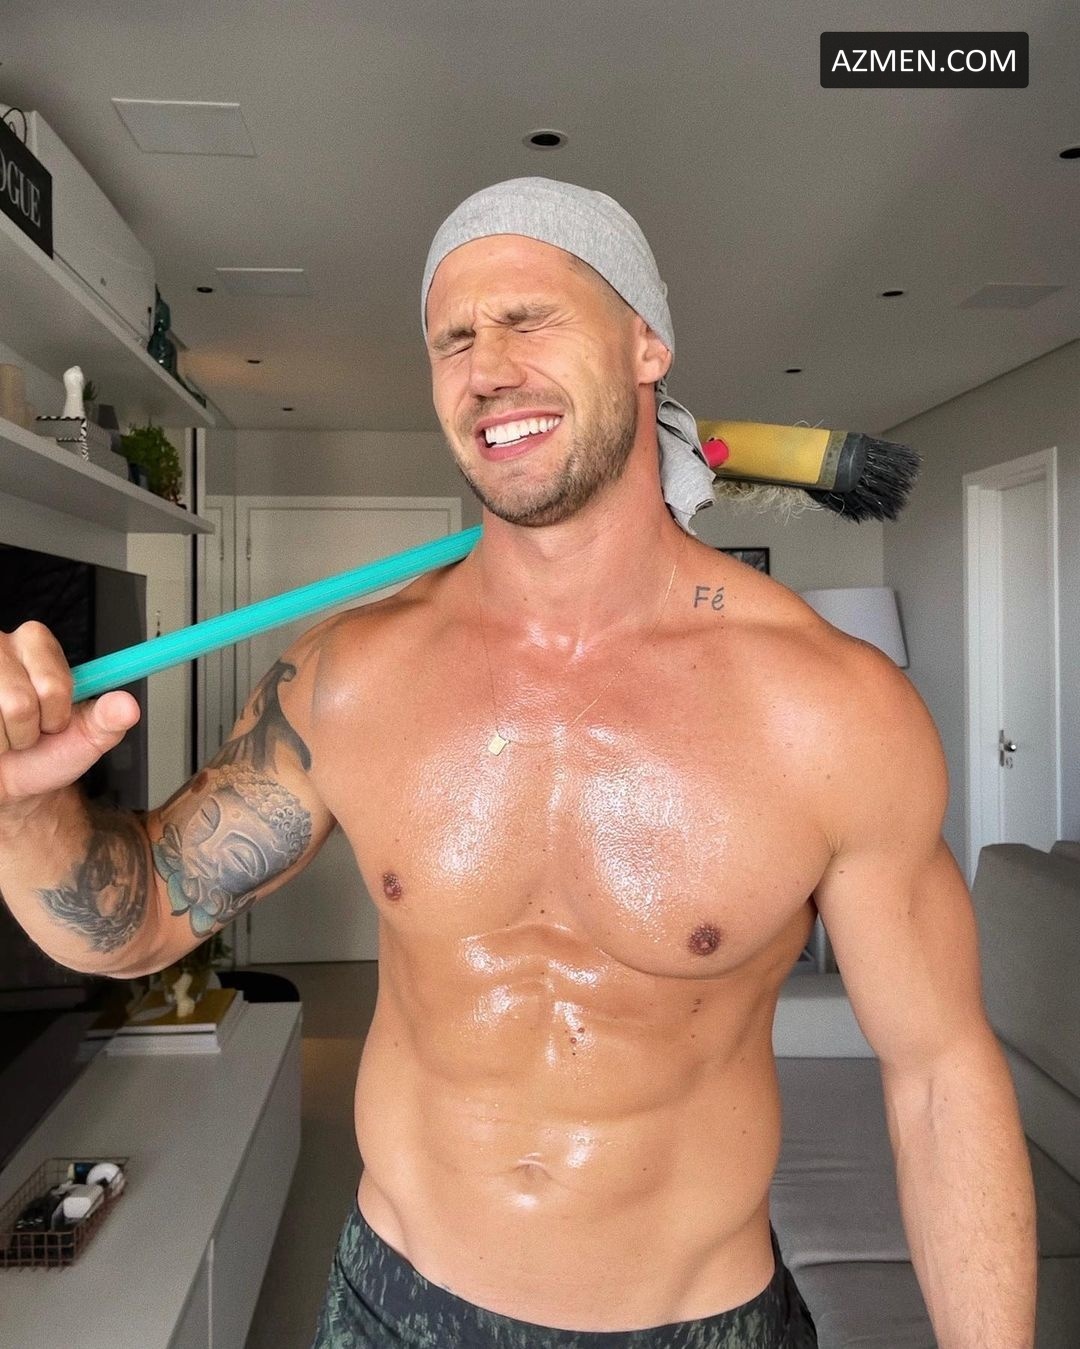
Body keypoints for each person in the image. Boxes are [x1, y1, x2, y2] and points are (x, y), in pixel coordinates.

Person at [0, 178, 1036, 1349]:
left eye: (530, 318)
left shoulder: (834, 710)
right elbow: (136, 917)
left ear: (647, 345)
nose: (486, 367)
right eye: (453, 338)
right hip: (392, 1305)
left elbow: (941, 1077)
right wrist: (23, 808)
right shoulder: (352, 674)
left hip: (695, 1323)